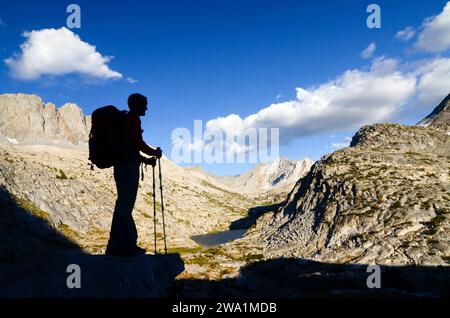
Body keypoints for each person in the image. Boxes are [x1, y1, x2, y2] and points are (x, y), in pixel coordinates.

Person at [105, 93, 162, 257]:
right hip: (128, 168)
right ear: (136, 105)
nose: (146, 107)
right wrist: (155, 152)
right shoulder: (133, 119)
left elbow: (130, 148)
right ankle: (123, 246)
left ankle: (119, 244)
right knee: (125, 205)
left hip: (122, 166)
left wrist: (146, 160)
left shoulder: (126, 120)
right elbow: (138, 144)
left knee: (123, 204)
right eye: (144, 104)